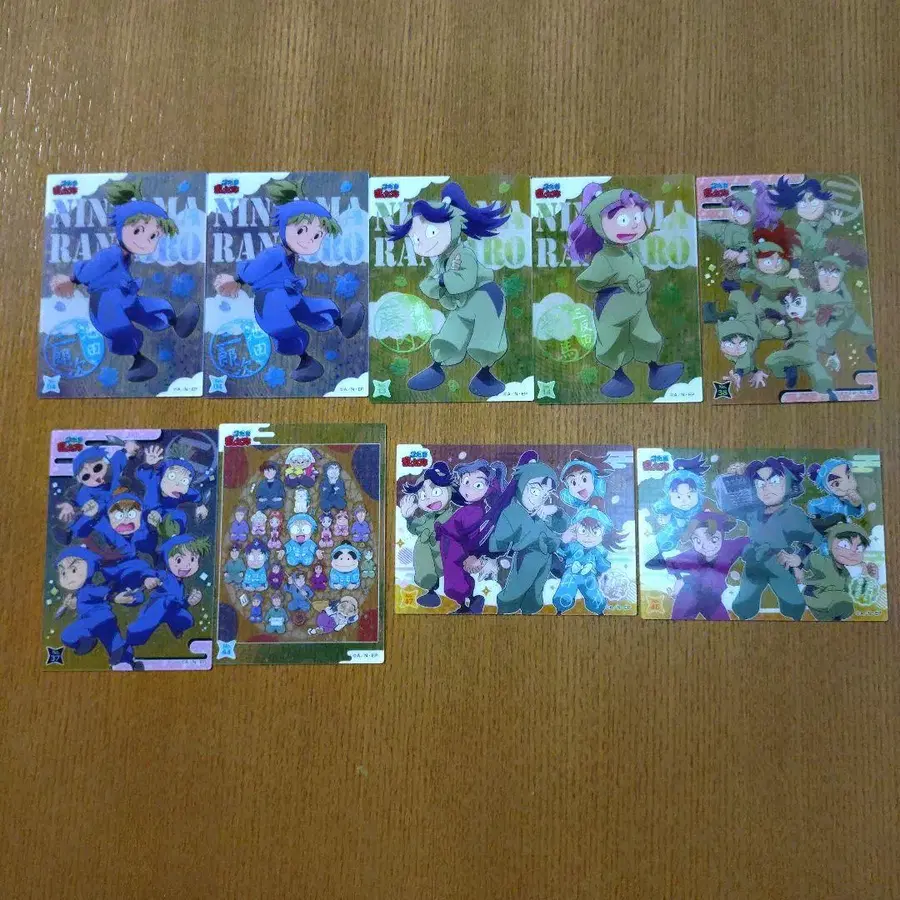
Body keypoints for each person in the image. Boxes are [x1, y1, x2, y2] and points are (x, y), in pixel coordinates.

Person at [213, 178, 364, 382]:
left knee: (314, 308)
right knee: (288, 330)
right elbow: (255, 269)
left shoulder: (290, 255)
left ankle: (341, 322)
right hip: (271, 303)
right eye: (301, 231)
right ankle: (305, 362)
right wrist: (238, 280)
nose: (309, 240)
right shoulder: (275, 254)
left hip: (289, 295)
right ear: (285, 227)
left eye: (317, 236)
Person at [49, 179, 198, 382]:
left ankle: (176, 322)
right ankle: (139, 361)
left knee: (149, 307)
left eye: (153, 236)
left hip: (124, 296)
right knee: (121, 329)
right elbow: (90, 270)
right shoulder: (111, 254)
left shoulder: (126, 256)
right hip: (106, 304)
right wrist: (73, 278)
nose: (145, 241)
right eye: (137, 231)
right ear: (122, 229)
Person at [387, 182, 511, 396]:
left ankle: (485, 375)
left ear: (453, 225)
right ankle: (437, 367)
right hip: (463, 304)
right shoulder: (442, 261)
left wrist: (442, 281)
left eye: (431, 231)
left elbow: (465, 280)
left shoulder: (464, 253)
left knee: (486, 339)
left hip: (486, 300)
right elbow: (428, 285)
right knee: (451, 334)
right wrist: (442, 281)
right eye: (416, 238)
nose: (421, 242)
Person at [567, 184, 684, 398]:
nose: (633, 225)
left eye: (637, 218)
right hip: (613, 308)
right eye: (623, 220)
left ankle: (655, 370)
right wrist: (615, 285)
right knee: (613, 340)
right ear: (599, 224)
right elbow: (587, 280)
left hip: (636, 304)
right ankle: (619, 377)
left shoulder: (629, 251)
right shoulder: (604, 258)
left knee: (645, 334)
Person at [718, 457, 816, 620]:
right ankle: (745, 610)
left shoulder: (794, 514)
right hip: (755, 561)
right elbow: (729, 505)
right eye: (759, 484)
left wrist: (799, 559)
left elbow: (812, 539)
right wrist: (734, 478)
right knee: (743, 604)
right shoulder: (752, 511)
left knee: (793, 603)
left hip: (781, 562)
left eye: (774, 481)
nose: (766, 488)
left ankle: (792, 610)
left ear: (789, 482)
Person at [488, 452, 568, 614]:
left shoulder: (545, 510)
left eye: (545, 495)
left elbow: (561, 526)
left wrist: (556, 511)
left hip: (546, 557)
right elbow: (500, 540)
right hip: (526, 557)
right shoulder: (513, 511)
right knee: (517, 586)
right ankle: (505, 608)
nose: (539, 499)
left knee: (537, 589)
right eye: (535, 491)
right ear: (522, 486)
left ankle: (530, 609)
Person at [645, 512, 749, 620]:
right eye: (698, 541)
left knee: (723, 622)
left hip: (713, 598)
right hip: (689, 595)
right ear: (692, 540)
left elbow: (748, 542)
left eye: (713, 540)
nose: (706, 546)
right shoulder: (691, 555)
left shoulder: (729, 548)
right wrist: (679, 579)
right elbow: (666, 563)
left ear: (722, 536)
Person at [435, 459, 506, 614]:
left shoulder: (475, 512)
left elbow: (471, 537)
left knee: (455, 581)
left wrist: (469, 554)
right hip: (451, 547)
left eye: (478, 485)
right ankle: (469, 603)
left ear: (488, 489)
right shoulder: (470, 508)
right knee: (454, 579)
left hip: (456, 549)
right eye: (466, 481)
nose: (468, 489)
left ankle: (469, 603)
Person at [399, 462, 454, 607]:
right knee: (422, 546)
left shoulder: (453, 515)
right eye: (423, 495)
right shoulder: (427, 517)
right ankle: (430, 590)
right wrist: (408, 517)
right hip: (431, 562)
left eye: (435, 492)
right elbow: (415, 528)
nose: (429, 499)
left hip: (448, 557)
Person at [803, 515, 878, 621]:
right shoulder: (822, 561)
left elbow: (854, 591)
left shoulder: (845, 573)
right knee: (844, 600)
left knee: (845, 603)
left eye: (859, 548)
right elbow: (806, 560)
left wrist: (868, 578)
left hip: (834, 609)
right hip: (817, 599)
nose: (852, 552)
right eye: (845, 545)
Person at [552, 508, 617, 615]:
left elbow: (601, 564)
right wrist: (564, 541)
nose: (588, 536)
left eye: (595, 532)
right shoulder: (573, 546)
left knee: (593, 593)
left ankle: (599, 608)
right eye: (583, 530)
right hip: (571, 573)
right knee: (565, 590)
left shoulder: (597, 551)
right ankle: (560, 607)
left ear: (603, 534)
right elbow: (562, 550)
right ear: (575, 530)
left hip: (589, 576)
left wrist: (604, 566)